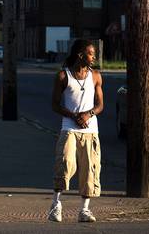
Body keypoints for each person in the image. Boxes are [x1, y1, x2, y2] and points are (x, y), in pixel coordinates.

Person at [47, 39, 103, 223]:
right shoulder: (64, 76)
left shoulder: (95, 76)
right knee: (64, 163)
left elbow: (100, 104)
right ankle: (56, 205)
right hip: (69, 129)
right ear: (80, 55)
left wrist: (88, 114)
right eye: (91, 53)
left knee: (89, 171)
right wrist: (73, 115)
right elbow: (55, 105)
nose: (94, 57)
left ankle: (84, 210)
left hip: (90, 130)